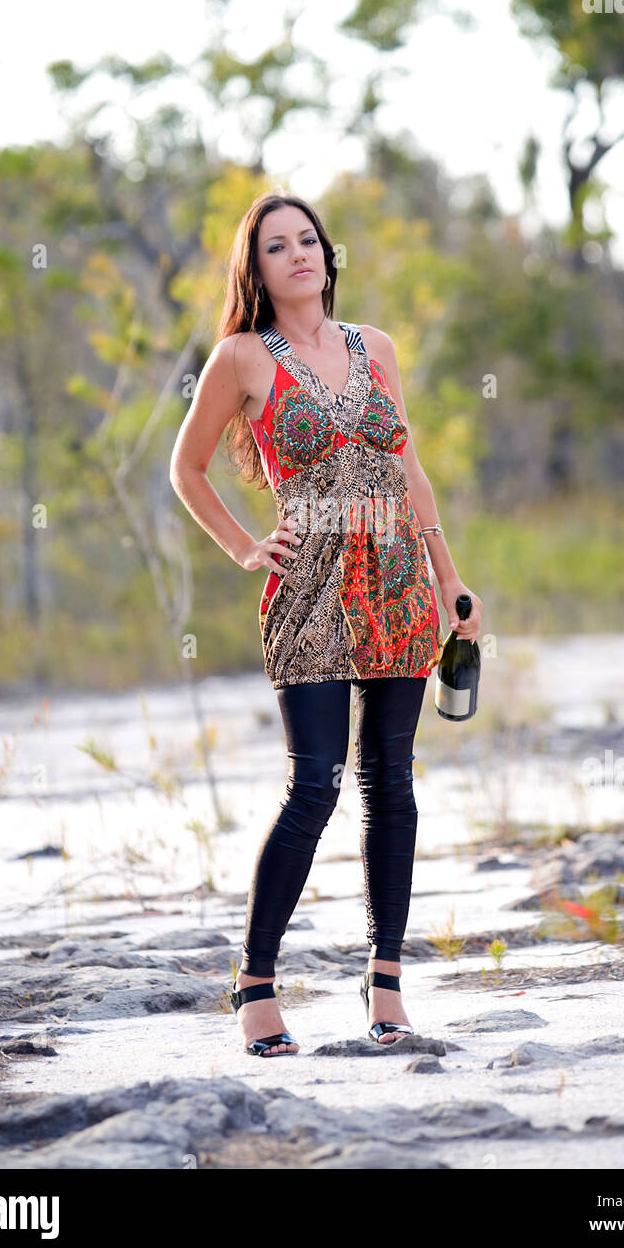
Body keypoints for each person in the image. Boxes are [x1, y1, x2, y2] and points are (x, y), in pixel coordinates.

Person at [169, 191, 482, 1056]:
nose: (299, 253)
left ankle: (386, 982)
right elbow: (186, 469)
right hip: (308, 587)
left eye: (309, 239)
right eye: (278, 245)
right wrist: (242, 547)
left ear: (326, 256)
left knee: (393, 782)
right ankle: (255, 982)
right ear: (257, 269)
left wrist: (451, 581)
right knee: (314, 785)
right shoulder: (239, 357)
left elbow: (408, 472)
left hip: (397, 586)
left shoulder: (373, 347)